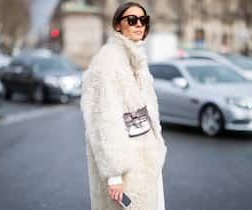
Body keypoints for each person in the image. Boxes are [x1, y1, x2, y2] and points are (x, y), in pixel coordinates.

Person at [80, 2, 167, 210]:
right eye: (132, 20)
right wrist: (114, 174)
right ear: (118, 25)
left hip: (147, 161)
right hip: (126, 166)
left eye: (143, 20)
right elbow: (104, 119)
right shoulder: (108, 61)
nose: (139, 25)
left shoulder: (136, 59)